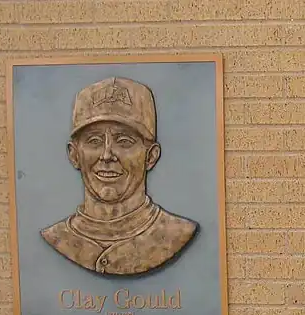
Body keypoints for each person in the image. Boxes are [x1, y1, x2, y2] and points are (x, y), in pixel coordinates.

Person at [40, 76, 198, 276]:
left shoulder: (174, 234)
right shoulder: (57, 237)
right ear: (74, 155)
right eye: (94, 140)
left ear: (151, 156)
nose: (107, 155)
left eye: (124, 141)